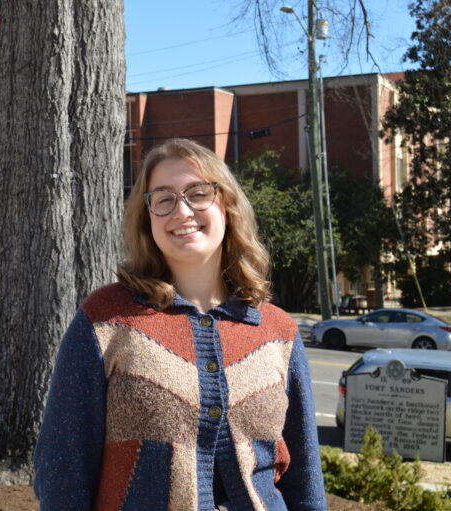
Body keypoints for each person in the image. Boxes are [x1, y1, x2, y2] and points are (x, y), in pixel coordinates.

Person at [34, 138, 326, 510]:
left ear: (228, 205)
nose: (182, 211)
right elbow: (63, 470)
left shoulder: (277, 331)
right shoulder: (106, 320)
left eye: (197, 193)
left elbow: (305, 479)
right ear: (147, 217)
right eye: (164, 198)